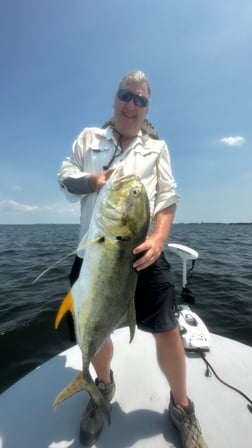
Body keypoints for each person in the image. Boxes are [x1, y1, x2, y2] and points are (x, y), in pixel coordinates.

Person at [58, 70, 208, 448]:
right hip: (95, 251)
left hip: (142, 252)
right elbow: (64, 180)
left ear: (147, 108)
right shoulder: (89, 139)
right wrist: (93, 182)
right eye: (126, 95)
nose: (132, 104)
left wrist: (158, 239)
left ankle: (182, 406)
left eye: (141, 100)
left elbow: (168, 200)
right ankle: (101, 386)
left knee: (167, 328)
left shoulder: (158, 149)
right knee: (91, 326)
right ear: (115, 99)